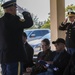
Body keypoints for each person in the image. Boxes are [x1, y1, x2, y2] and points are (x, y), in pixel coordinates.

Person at [0, 1, 33, 75]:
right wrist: (24, 12)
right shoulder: (15, 20)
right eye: (15, 7)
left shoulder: (1, 21)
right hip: (15, 56)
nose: (16, 10)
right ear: (11, 9)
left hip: (3, 57)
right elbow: (29, 23)